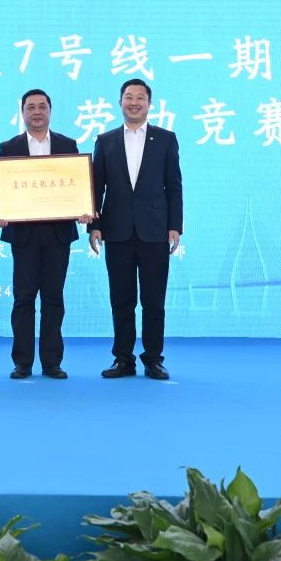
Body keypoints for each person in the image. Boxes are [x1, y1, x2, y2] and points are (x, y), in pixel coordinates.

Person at [0, 89, 91, 380]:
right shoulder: (9, 147)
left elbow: (79, 184)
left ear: (50, 110)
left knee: (54, 299)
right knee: (23, 299)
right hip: (23, 236)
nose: (36, 112)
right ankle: (22, 362)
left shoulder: (67, 145)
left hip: (58, 235)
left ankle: (51, 362)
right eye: (30, 107)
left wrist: (84, 207)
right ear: (22, 112)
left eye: (42, 106)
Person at [88, 78, 182, 380]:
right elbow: (96, 187)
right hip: (116, 230)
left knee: (154, 301)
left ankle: (154, 359)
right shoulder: (105, 141)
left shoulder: (165, 139)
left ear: (149, 104)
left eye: (140, 98)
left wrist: (175, 226)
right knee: (122, 300)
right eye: (129, 97)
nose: (134, 102)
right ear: (120, 103)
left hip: (155, 231)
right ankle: (123, 359)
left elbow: (174, 185)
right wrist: (95, 226)